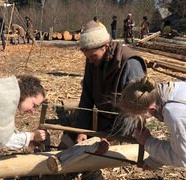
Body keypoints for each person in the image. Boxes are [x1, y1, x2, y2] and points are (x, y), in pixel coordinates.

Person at [60, 20, 147, 179]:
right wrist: (82, 130)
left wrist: (108, 137)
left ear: (105, 46)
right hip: (102, 118)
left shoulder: (130, 64)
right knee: (68, 141)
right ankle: (65, 172)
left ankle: (90, 173)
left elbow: (134, 113)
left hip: (123, 123)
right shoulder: (92, 60)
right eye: (88, 57)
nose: (91, 60)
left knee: (91, 151)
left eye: (93, 56)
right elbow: (86, 96)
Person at [119, 76, 186, 180]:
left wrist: (148, 142)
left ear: (151, 109)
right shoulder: (167, 91)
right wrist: (155, 161)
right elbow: (179, 141)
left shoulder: (175, 112)